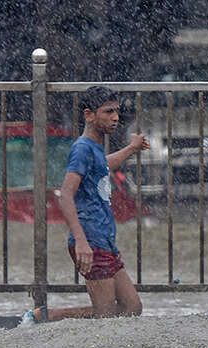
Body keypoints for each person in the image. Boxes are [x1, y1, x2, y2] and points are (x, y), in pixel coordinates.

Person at [21, 86, 148, 325]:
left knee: (132, 307)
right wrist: (81, 241)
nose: (116, 118)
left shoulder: (95, 148)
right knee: (105, 318)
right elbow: (65, 195)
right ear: (89, 115)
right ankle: (42, 318)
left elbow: (103, 165)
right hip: (90, 240)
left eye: (117, 111)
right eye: (108, 112)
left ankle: (43, 316)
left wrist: (132, 148)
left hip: (104, 240)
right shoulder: (82, 148)